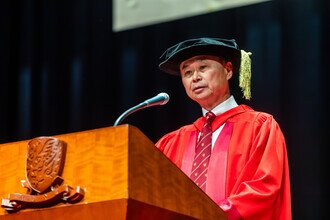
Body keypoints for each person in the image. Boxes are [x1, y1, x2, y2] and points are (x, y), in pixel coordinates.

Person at [155, 37, 291, 220]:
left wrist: (210, 215)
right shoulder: (171, 143)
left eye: (203, 68)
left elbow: (264, 187)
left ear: (228, 70)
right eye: (187, 72)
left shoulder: (259, 127)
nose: (195, 77)